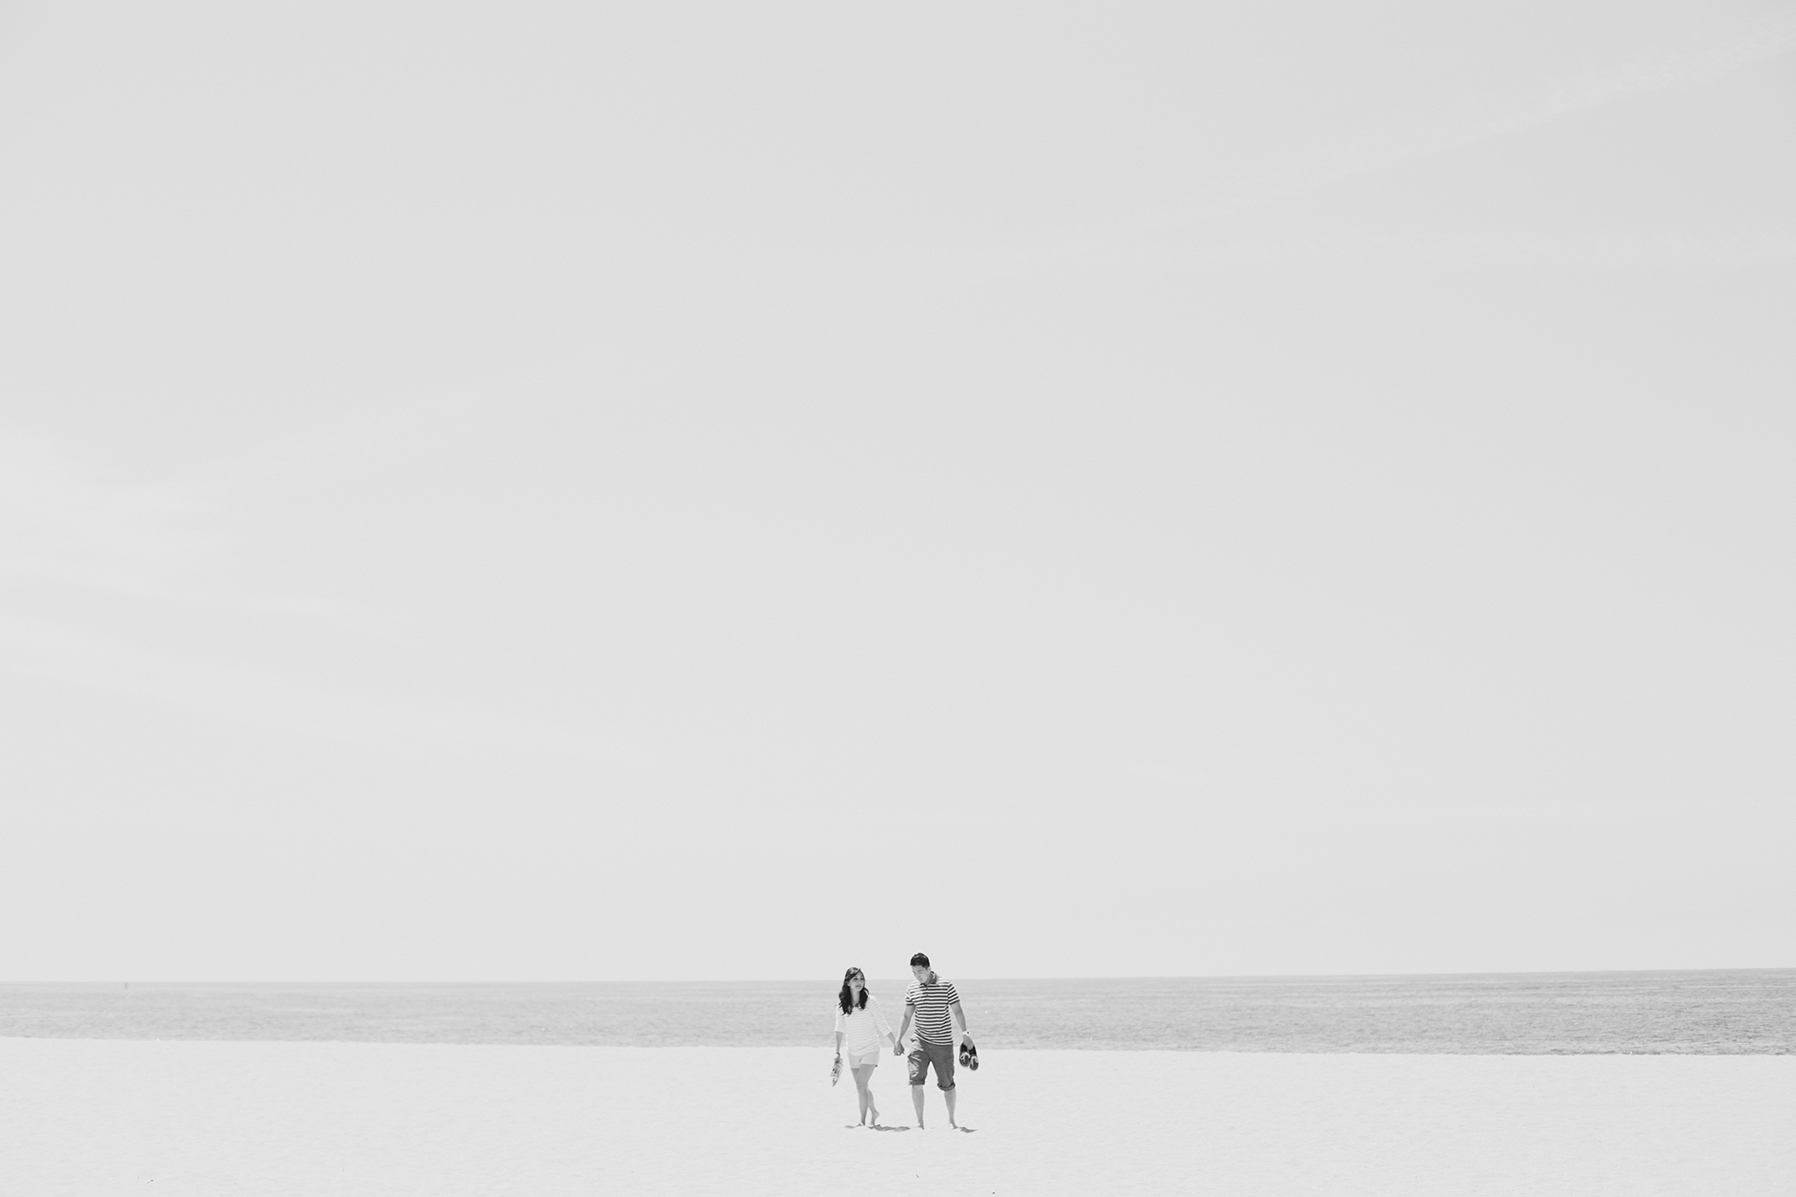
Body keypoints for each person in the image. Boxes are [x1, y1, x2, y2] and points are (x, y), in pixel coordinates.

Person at [893, 952, 973, 1130]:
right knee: (915, 1081)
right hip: (919, 1042)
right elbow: (907, 1015)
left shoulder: (946, 985)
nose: (917, 975)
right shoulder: (912, 988)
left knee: (947, 1084)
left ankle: (951, 1121)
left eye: (920, 971)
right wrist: (898, 1039)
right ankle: (919, 1122)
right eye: (914, 972)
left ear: (929, 968)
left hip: (942, 1043)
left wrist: (965, 1034)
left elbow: (957, 1011)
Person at [833, 966, 897, 1126]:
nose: (859, 982)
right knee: (862, 1087)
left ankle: (862, 1122)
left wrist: (896, 1043)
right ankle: (874, 1111)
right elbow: (839, 1029)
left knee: (860, 1084)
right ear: (847, 982)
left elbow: (882, 1024)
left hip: (870, 1049)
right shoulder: (842, 1005)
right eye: (855, 979)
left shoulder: (870, 1001)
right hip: (852, 1050)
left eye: (861, 979)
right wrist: (837, 1052)